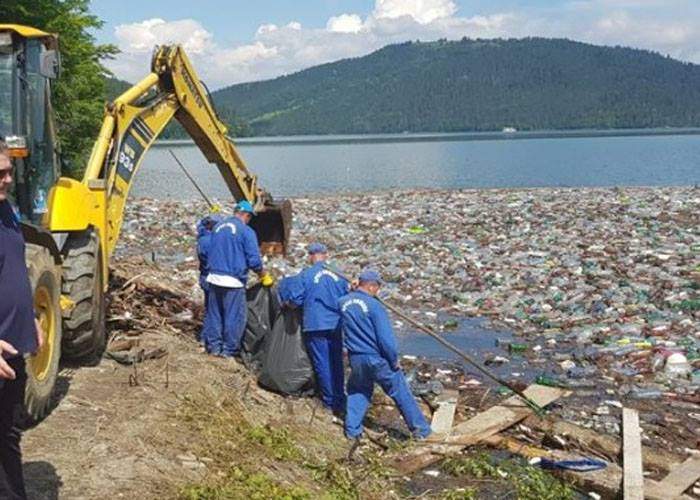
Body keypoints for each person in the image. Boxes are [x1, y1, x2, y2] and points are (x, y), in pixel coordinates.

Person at [0, 139, 44, 499]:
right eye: (0, 173)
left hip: (13, 353)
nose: (8, 179)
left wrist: (33, 318)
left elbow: (13, 270)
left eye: (10, 171)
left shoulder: (8, 211)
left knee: (9, 435)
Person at [339, 269, 431, 440]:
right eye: (378, 287)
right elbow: (385, 338)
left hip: (356, 357)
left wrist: (352, 290)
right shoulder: (375, 306)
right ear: (373, 287)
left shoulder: (343, 302)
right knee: (399, 391)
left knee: (358, 391)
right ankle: (421, 431)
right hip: (376, 357)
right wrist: (393, 359)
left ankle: (352, 431)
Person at [203, 200, 273, 357]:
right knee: (233, 316)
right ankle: (229, 351)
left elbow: (207, 248)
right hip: (233, 281)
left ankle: (214, 347)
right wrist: (263, 275)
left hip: (213, 278)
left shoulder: (218, 227)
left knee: (215, 315)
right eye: (249, 217)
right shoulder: (246, 231)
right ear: (246, 215)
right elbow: (254, 260)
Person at [293, 243, 349, 415]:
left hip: (315, 324)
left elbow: (296, 299)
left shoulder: (306, 275)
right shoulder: (339, 275)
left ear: (311, 256)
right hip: (336, 324)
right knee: (336, 362)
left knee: (322, 363)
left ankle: (329, 401)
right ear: (326, 255)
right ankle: (340, 400)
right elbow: (346, 298)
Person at [196, 214, 221, 345]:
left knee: (210, 309)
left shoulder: (203, 237)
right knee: (213, 310)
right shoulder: (210, 241)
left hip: (205, 278)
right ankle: (208, 339)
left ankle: (206, 337)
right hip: (210, 278)